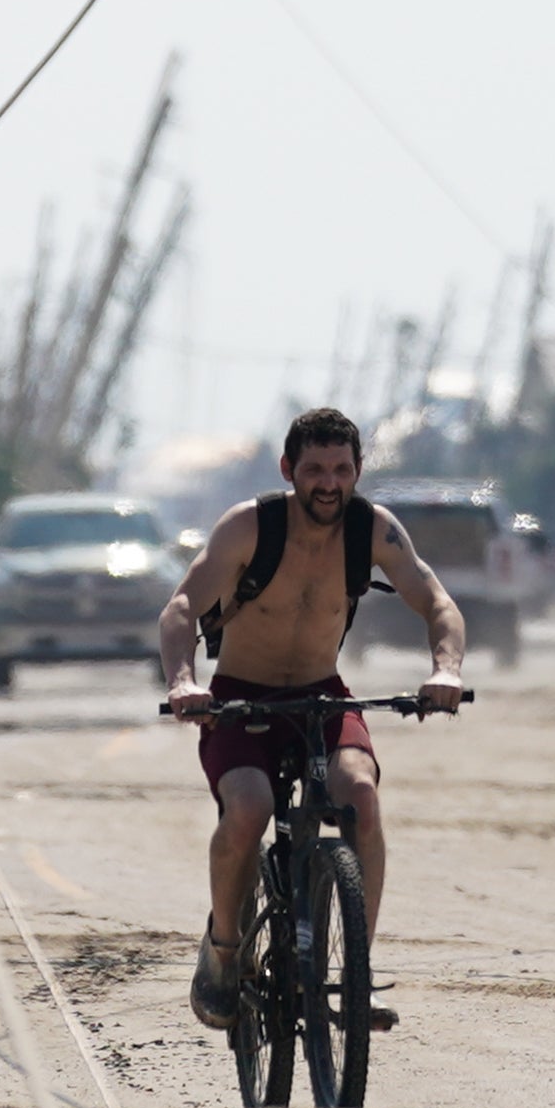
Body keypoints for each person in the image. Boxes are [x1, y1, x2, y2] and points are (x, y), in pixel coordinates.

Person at [155, 406, 464, 1029]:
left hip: (325, 696)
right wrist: (185, 682)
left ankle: (355, 975)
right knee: (248, 806)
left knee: (361, 798)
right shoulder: (250, 526)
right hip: (243, 698)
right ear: (289, 469)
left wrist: (445, 670)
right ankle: (222, 950)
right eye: (315, 469)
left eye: (342, 469)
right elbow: (183, 605)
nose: (329, 482)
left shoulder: (372, 530)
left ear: (357, 471)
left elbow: (436, 602)